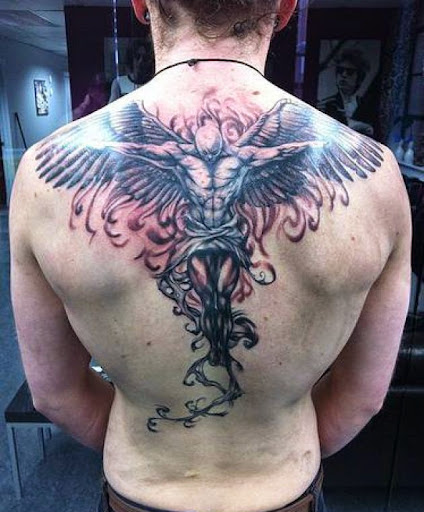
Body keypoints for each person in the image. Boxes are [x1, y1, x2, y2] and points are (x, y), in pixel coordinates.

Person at [9, 1, 411, 512]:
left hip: (139, 490)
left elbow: (55, 396)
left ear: (141, 4)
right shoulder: (377, 177)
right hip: (286, 491)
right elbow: (362, 399)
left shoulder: (41, 175)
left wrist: (156, 454)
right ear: (286, 8)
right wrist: (277, 462)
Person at [317, 48, 375, 137]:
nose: (343, 75)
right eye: (340, 70)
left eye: (350, 72)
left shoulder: (366, 105)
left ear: (360, 77)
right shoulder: (326, 104)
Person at [109, 38, 154, 103]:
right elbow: (112, 107)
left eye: (145, 58)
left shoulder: (152, 83)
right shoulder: (119, 83)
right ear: (131, 58)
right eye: (137, 56)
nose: (141, 61)